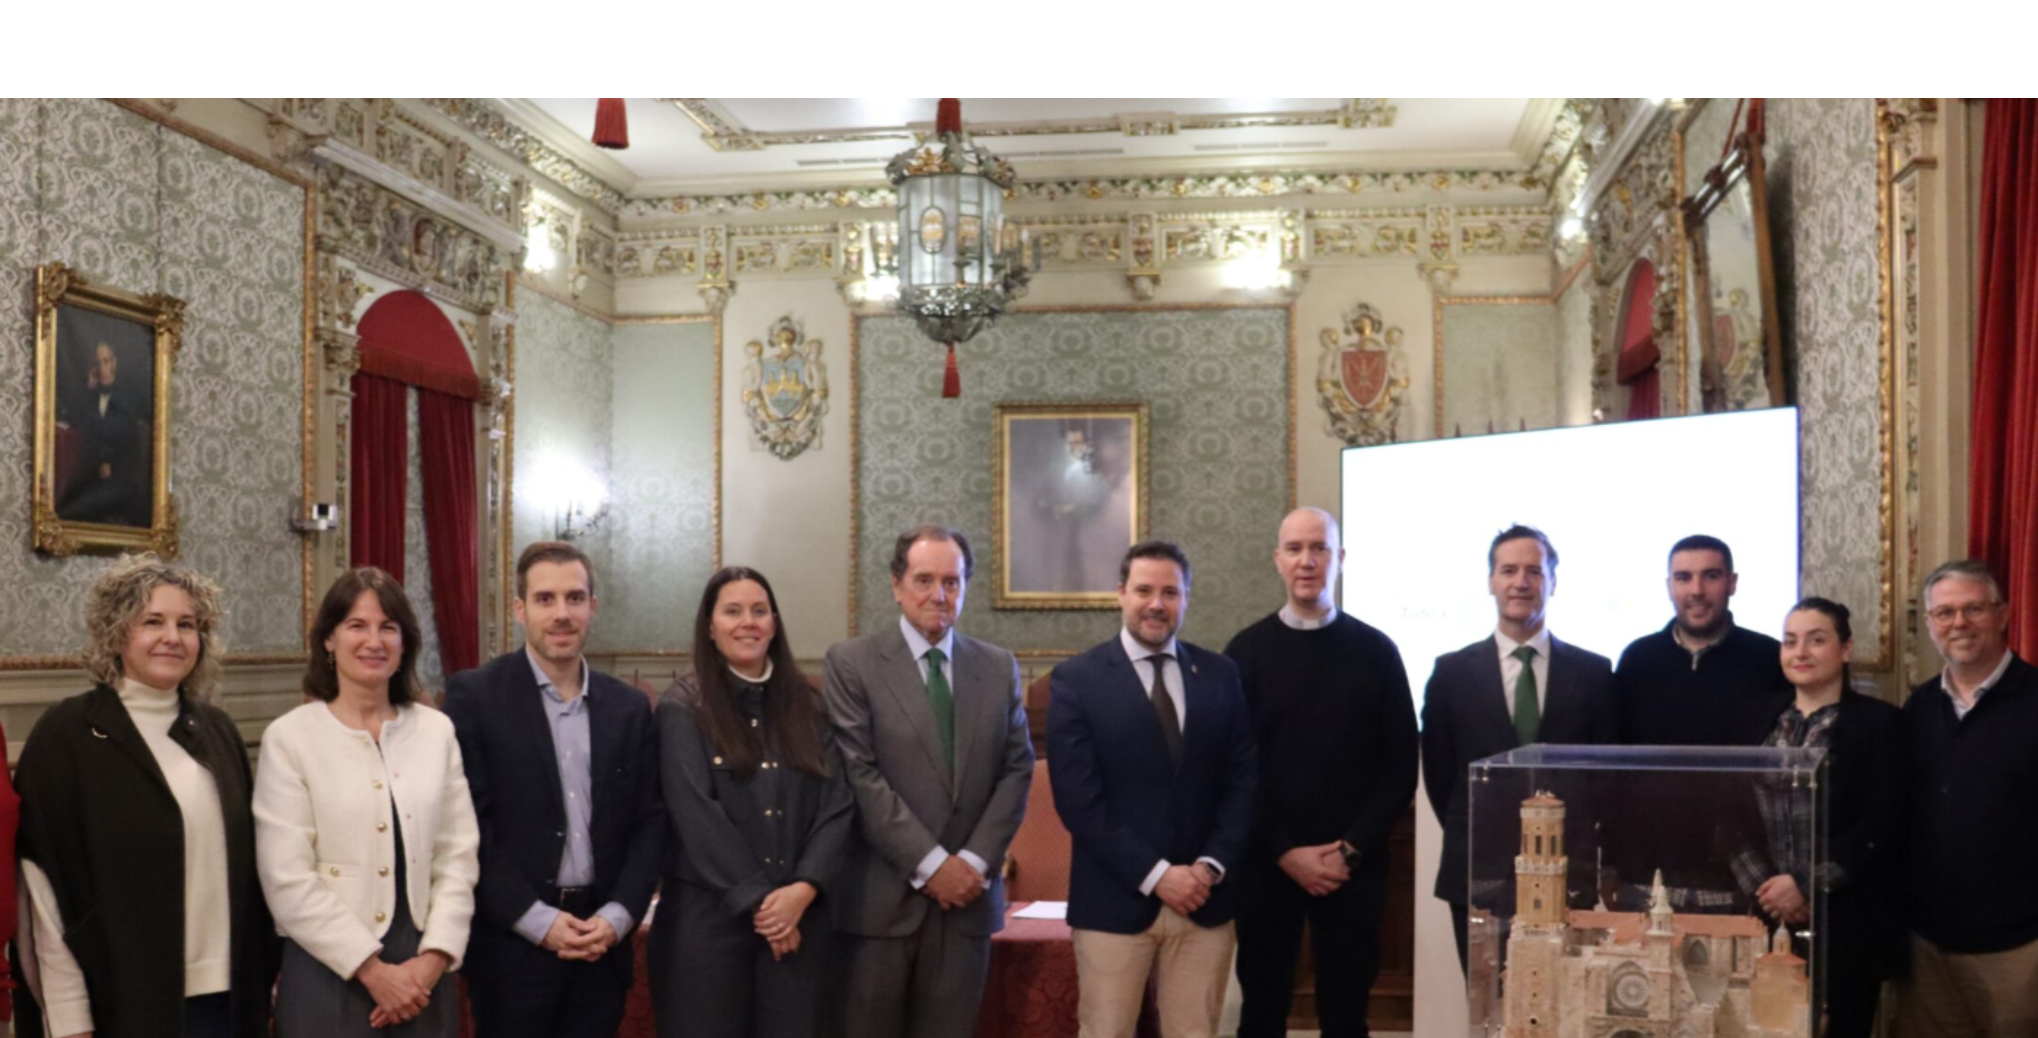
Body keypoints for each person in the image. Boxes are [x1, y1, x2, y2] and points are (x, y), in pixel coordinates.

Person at [11, 554, 275, 1038]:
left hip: (230, 1001)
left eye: (187, 624)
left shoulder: (216, 730)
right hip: (120, 1006)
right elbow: (43, 891)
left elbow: (251, 875)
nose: (173, 637)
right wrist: (69, 1017)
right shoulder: (67, 735)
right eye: (153, 621)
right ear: (117, 632)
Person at [442, 542, 665, 1038]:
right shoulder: (475, 697)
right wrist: (536, 920)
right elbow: (470, 825)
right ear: (520, 610)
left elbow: (651, 822)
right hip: (512, 951)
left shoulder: (628, 708)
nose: (561, 614)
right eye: (545, 599)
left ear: (592, 607)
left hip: (602, 945)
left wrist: (618, 916)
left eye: (574, 598)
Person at [821, 525, 1034, 1038]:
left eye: (952, 581)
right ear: (896, 585)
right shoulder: (852, 664)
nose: (939, 595)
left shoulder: (997, 666)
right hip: (879, 907)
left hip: (968, 905)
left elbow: (1017, 769)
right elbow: (859, 775)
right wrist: (933, 865)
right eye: (924, 580)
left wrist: (973, 863)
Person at [255, 568, 480, 1037]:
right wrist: (374, 973)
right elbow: (286, 880)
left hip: (424, 975)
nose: (373, 641)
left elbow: (457, 857)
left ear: (404, 645)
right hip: (327, 974)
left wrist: (433, 961)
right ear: (329, 640)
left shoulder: (436, 732)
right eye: (357, 626)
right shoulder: (290, 738)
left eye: (388, 627)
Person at [1048, 540, 1257, 1038]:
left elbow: (1244, 781)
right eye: (1144, 590)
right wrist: (1158, 875)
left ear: (1186, 598)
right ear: (1120, 594)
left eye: (1171, 592)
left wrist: (1208, 867)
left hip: (1205, 903)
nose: (1157, 603)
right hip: (1114, 903)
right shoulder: (1077, 680)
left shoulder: (1220, 675)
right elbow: (1080, 801)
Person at [1224, 508, 1416, 1038]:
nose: (1307, 561)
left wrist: (1349, 850)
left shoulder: (1377, 651)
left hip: (1354, 866)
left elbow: (1401, 763)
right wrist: (1284, 851)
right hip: (1268, 865)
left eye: (1319, 548)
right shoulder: (1245, 653)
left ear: (1340, 559)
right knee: (1261, 1012)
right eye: (1295, 549)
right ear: (1278, 561)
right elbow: (1238, 768)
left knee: (1346, 1014)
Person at [653, 566, 854, 1038]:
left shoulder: (810, 704)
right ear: (710, 626)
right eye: (733, 611)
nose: (749, 622)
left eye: (760, 611)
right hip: (708, 930)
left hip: (801, 925)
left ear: (775, 623)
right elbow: (696, 816)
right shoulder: (683, 707)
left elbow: (838, 806)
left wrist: (802, 890)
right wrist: (766, 908)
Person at [1420, 524, 1616, 972]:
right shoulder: (1450, 673)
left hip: (1566, 876)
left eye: (1534, 571)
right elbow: (1440, 775)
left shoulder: (1593, 673)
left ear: (1552, 582)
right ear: (1491, 581)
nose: (1521, 582)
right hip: (1477, 873)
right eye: (1509, 570)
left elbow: (1603, 779)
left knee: (1562, 1004)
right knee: (1488, 1006)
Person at [1726, 598, 1903, 1038]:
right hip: (1762, 918)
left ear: (1845, 649)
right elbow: (1725, 813)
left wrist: (1803, 884)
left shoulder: (1883, 724)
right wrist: (1770, 890)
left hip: (1847, 925)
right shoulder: (1753, 716)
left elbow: (1884, 822)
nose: (1800, 652)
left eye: (1816, 640)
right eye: (1790, 641)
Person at [1898, 559, 2038, 1038]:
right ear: (1932, 625)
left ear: (2002, 615)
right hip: (1927, 949)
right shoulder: (1917, 708)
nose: (1959, 623)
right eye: (1945, 613)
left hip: (2018, 951)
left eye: (1973, 609)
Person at [1614, 534, 1792, 746]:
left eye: (1711, 576)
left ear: (1732, 583)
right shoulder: (1638, 658)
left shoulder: (1770, 657)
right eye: (1683, 578)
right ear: (1669, 586)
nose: (1697, 590)